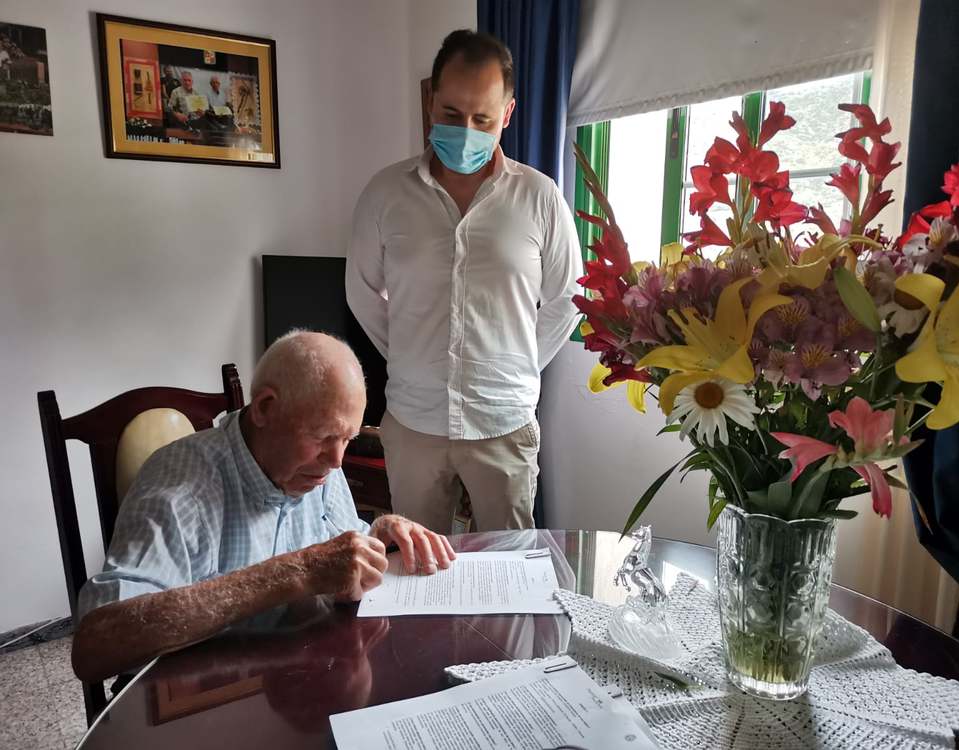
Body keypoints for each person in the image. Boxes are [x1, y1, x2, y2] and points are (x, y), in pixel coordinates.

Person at [71, 331, 455, 683]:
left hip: (303, 675)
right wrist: (296, 572)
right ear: (266, 408)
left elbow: (337, 553)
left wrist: (379, 534)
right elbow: (95, 647)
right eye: (323, 436)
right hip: (209, 704)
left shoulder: (315, 465)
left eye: (347, 439)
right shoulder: (180, 485)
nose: (337, 460)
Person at [346, 30, 581, 535]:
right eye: (452, 114)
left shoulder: (539, 197)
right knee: (415, 564)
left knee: (508, 566)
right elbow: (362, 292)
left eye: (483, 119)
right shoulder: (385, 194)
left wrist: (516, 363)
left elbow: (568, 298)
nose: (467, 131)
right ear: (431, 101)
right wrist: (409, 354)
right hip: (414, 421)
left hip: (504, 422)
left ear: (508, 114)